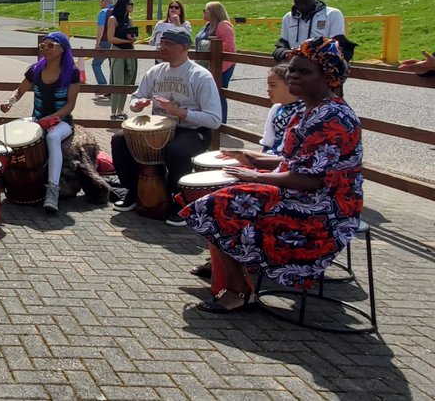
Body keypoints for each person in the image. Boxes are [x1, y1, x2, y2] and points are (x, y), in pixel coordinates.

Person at [183, 37, 362, 313]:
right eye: (293, 69)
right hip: (303, 193)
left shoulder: (332, 117)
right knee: (223, 196)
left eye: (304, 71)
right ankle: (238, 272)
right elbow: (298, 162)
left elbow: (311, 179)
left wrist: (252, 176)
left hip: (325, 209)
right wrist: (251, 158)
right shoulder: (307, 110)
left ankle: (238, 291)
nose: (293, 75)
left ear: (328, 77)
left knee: (217, 204)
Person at [189, 62, 300, 280]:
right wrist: (246, 158)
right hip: (270, 165)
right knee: (227, 180)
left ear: (290, 85)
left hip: (283, 174)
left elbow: (291, 160)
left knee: (230, 195)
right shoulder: (277, 110)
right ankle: (228, 258)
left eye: (273, 85)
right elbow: (267, 146)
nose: (268, 89)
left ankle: (238, 262)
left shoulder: (306, 113)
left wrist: (253, 166)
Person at [110, 28, 222, 226]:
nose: (162, 47)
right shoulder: (155, 72)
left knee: (177, 151)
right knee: (120, 139)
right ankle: (134, 191)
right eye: (161, 43)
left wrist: (180, 112)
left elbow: (214, 119)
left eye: (168, 44)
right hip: (160, 129)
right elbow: (135, 99)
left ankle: (179, 202)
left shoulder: (200, 76)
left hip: (193, 131)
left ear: (184, 47)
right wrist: (138, 104)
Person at [0, 31, 79, 213]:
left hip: (62, 121)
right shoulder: (35, 69)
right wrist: (9, 102)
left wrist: (51, 119)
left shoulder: (71, 73)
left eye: (51, 45)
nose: (46, 49)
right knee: (8, 132)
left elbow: (70, 105)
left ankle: (53, 190)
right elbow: (19, 91)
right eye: (43, 46)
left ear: (62, 49)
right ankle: (2, 181)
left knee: (52, 138)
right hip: (37, 118)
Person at [272, 0, 349, 61]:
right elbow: (282, 45)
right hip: (295, 66)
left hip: (321, 66)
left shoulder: (332, 14)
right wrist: (283, 53)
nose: (301, 5)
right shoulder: (288, 18)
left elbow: (339, 45)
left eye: (305, 1)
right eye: (297, 1)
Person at [195, 1, 237, 122]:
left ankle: (221, 122)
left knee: (219, 93)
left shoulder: (223, 25)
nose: (203, 12)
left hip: (222, 66)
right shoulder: (208, 25)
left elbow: (229, 46)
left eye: (205, 10)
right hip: (206, 64)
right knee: (207, 93)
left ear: (213, 12)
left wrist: (210, 44)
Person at [105, 0, 139, 120]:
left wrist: (132, 39)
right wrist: (126, 40)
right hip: (117, 52)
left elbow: (131, 37)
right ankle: (114, 112)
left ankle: (121, 110)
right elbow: (110, 38)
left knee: (127, 82)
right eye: (131, 4)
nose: (133, 6)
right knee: (117, 81)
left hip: (129, 51)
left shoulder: (129, 20)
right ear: (124, 4)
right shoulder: (113, 19)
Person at [91, 0, 114, 88]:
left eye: (101, 0)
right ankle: (114, 86)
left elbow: (101, 28)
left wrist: (97, 43)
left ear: (105, 1)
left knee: (96, 64)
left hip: (105, 41)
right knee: (112, 65)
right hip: (115, 41)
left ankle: (103, 85)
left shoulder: (103, 12)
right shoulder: (117, 11)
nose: (100, 3)